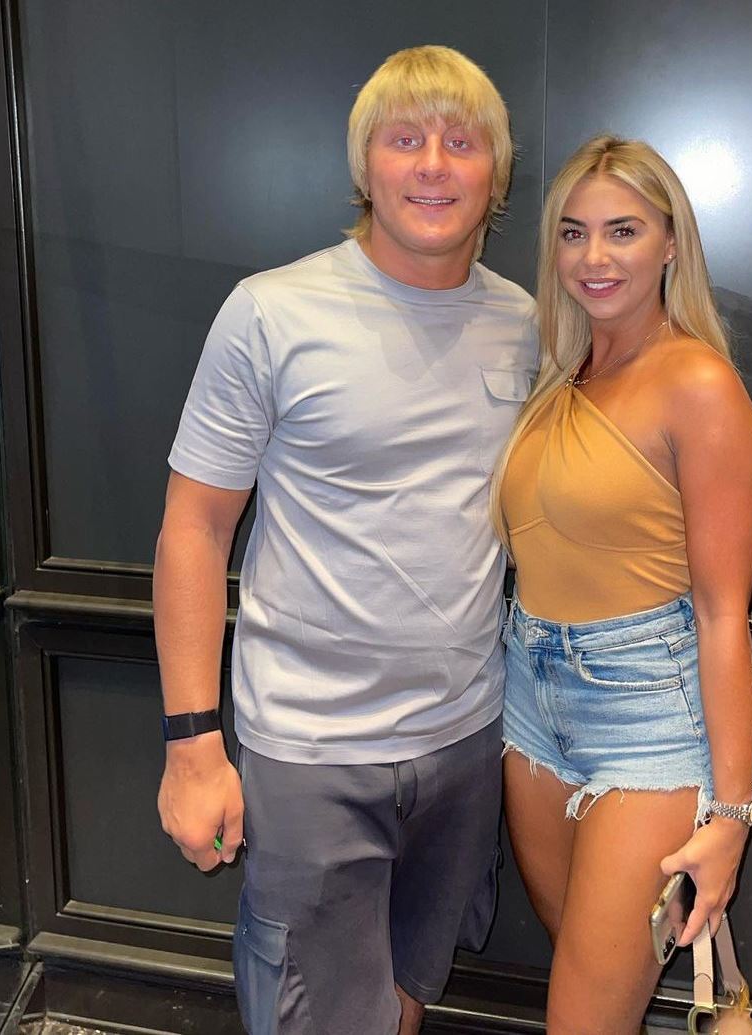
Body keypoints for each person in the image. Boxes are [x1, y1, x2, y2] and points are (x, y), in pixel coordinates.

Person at [154, 46, 537, 1035]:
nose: (433, 165)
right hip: (312, 750)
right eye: (404, 139)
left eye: (461, 143)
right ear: (364, 165)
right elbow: (195, 527)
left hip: (467, 737)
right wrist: (192, 747)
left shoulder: (526, 325)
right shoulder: (272, 312)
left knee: (407, 993)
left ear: (496, 173)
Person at [490, 136, 752, 1034]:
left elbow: (722, 615)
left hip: (647, 712)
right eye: (573, 232)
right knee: (599, 990)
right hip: (530, 703)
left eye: (623, 230)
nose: (594, 256)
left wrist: (730, 816)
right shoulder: (558, 374)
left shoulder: (698, 384)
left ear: (671, 242)